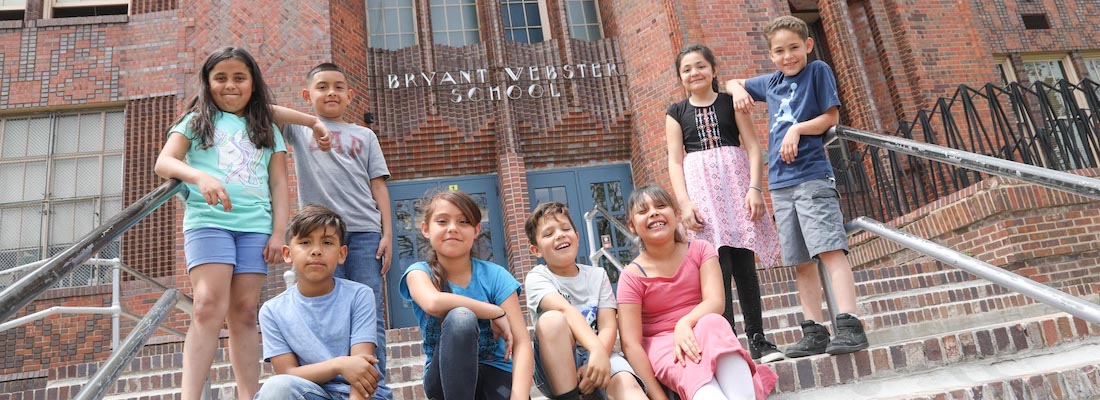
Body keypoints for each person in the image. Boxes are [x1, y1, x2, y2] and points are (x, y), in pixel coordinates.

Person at [154, 46, 332, 400]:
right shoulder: (195, 121)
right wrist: (199, 177)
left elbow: (278, 184)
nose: (230, 85)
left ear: (253, 83)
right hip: (209, 222)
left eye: (239, 78)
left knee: (246, 311)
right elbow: (165, 162)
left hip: (255, 227)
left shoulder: (265, 127)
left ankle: (248, 396)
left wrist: (279, 232)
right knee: (207, 305)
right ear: (208, 83)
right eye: (220, 78)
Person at [725, 15, 869, 358]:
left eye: (794, 48)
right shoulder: (772, 81)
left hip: (811, 176)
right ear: (771, 55)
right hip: (780, 185)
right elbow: (732, 81)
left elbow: (831, 117)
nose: (787, 56)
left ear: (808, 45)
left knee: (830, 250)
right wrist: (738, 89)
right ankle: (814, 330)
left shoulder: (817, 70)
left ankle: (850, 325)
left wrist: (797, 129)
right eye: (779, 51)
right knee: (801, 262)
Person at [665, 44, 785, 363]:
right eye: (687, 69)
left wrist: (755, 189)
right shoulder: (675, 113)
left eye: (701, 66)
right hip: (702, 195)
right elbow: (674, 161)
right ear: (680, 77)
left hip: (737, 187)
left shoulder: (730, 102)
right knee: (717, 267)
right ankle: (727, 341)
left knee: (744, 263)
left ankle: (758, 338)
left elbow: (754, 148)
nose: (695, 73)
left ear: (713, 69)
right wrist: (684, 203)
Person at [282, 62, 394, 399]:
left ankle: (375, 387)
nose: (331, 92)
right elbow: (265, 109)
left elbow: (379, 186)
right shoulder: (300, 131)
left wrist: (387, 233)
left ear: (350, 95)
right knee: (328, 311)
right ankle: (334, 383)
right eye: (322, 87)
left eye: (338, 86)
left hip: (364, 233)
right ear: (307, 95)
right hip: (321, 237)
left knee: (370, 311)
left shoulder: (365, 135)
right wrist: (312, 122)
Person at [617, 185, 777, 400]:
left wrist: (684, 323)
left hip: (704, 330)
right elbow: (631, 344)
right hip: (665, 346)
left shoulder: (701, 250)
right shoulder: (631, 276)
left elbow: (716, 302)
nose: (653, 213)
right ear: (632, 226)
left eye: (661, 206)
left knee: (714, 321)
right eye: (643, 210)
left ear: (677, 214)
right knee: (707, 390)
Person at [398, 190, 534, 400]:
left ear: (476, 230)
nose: (453, 228)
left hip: (496, 371)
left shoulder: (495, 275)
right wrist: (494, 311)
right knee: (461, 317)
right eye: (442, 221)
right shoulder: (419, 273)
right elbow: (433, 302)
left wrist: (519, 396)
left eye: (463, 222)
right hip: (443, 378)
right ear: (425, 229)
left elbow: (522, 343)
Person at [254, 205, 383, 400]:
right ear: (287, 254)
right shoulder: (272, 311)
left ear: (342, 253)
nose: (316, 251)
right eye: (305, 242)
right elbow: (287, 373)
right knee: (276, 387)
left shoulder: (359, 296)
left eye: (327, 242)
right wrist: (338, 365)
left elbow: (362, 371)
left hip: (359, 395)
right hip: (309, 394)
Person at [523, 202, 648, 400]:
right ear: (536, 250)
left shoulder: (598, 275)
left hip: (600, 353)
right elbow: (565, 310)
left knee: (627, 384)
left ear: (577, 237)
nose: (560, 235)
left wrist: (598, 357)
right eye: (548, 234)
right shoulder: (537, 277)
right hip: (555, 363)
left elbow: (608, 325)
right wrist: (596, 349)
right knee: (552, 320)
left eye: (565, 229)